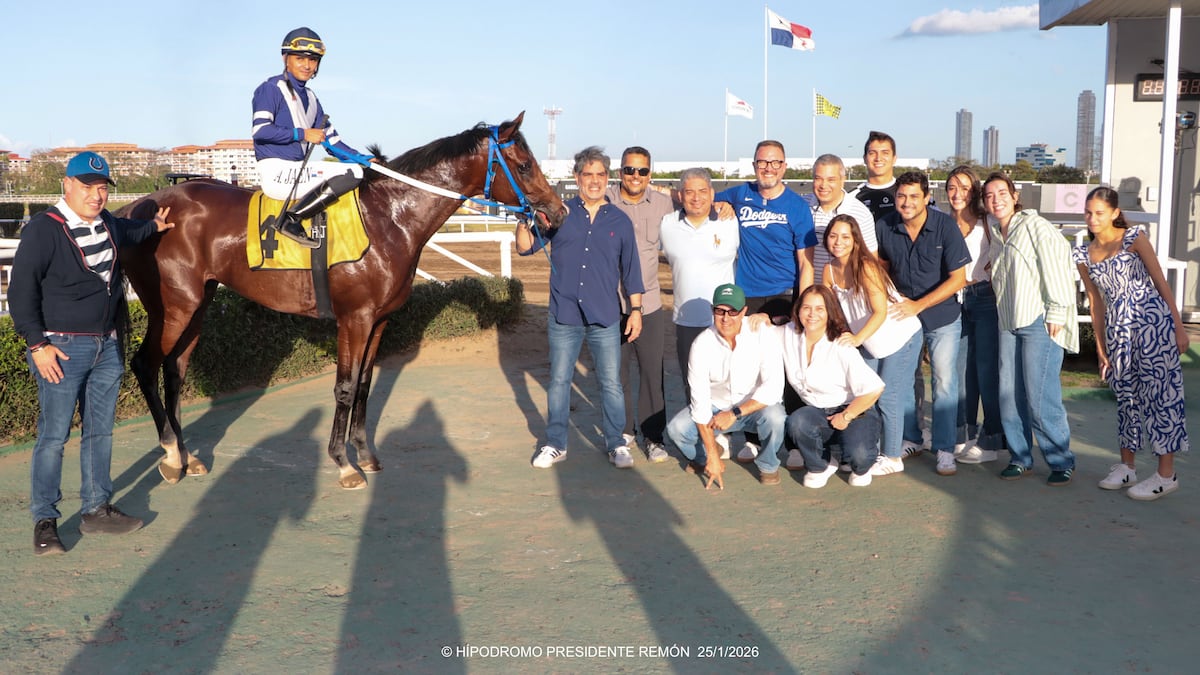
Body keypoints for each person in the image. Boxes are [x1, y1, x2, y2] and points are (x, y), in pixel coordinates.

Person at [9, 151, 175, 555]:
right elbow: (20, 292)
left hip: (107, 346)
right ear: (67, 185)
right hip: (61, 349)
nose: (96, 195)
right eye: (87, 186)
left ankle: (96, 508)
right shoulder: (44, 230)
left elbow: (134, 232)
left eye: (102, 188)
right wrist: (38, 346)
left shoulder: (109, 224)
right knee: (53, 437)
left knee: (99, 432)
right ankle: (45, 521)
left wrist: (155, 225)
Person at [517, 146, 644, 470]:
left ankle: (616, 443)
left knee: (611, 383)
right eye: (588, 175)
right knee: (559, 381)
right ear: (577, 178)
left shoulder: (620, 221)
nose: (594, 181)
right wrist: (522, 220)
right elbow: (526, 247)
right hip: (564, 315)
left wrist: (636, 310)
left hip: (604, 316)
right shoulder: (561, 213)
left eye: (600, 175)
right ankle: (555, 443)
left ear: (607, 178)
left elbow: (631, 270)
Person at [1076, 186, 1189, 500]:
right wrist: (1100, 348)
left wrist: (1178, 326)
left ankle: (1166, 475)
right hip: (1118, 331)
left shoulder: (1133, 238)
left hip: (1153, 324)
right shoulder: (1083, 255)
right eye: (1088, 212)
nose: (1092, 219)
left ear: (1114, 213)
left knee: (1160, 397)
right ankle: (1127, 467)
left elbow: (1160, 281)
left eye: (1099, 212)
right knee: (1126, 397)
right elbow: (1096, 304)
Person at [714, 140, 817, 462]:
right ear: (754, 165)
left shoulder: (797, 207)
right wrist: (719, 206)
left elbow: (806, 263)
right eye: (762, 162)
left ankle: (795, 444)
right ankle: (751, 438)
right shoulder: (738, 194)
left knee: (788, 369)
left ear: (784, 166)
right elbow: (697, 198)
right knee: (748, 370)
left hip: (784, 295)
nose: (768, 168)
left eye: (775, 163)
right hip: (748, 295)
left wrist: (797, 309)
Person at [983, 172, 1078, 486]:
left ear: (1014, 196)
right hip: (1008, 323)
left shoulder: (1035, 226)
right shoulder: (997, 234)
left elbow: (1058, 269)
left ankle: (1060, 459)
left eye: (1001, 193)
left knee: (1040, 396)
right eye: (989, 195)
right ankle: (1020, 457)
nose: (995, 199)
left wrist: (1057, 312)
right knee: (1008, 395)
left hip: (1039, 321)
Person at [874, 171, 970, 477]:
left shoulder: (945, 226)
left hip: (942, 316)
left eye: (915, 196)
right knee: (903, 380)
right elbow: (881, 269)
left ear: (927, 197)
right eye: (902, 196)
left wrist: (919, 304)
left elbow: (959, 278)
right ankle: (912, 439)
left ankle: (944, 449)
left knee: (943, 381)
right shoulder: (884, 226)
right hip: (903, 318)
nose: (907, 202)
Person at [821, 214, 921, 472]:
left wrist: (856, 339)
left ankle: (892, 458)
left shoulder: (866, 266)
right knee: (863, 393)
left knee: (889, 397)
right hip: (870, 341)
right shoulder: (829, 270)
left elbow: (880, 312)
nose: (838, 242)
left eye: (845, 236)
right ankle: (866, 451)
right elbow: (832, 310)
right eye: (833, 236)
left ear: (856, 240)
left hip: (900, 336)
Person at [252, 26, 368, 248]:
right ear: (286, 59)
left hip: (298, 171)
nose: (307, 65)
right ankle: (291, 219)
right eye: (300, 58)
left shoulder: (312, 98)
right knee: (352, 172)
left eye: (313, 60)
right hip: (277, 172)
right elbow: (260, 131)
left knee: (359, 168)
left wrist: (362, 158)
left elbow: (332, 141)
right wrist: (302, 134)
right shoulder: (270, 89)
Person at [665, 284, 787, 487]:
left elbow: (773, 388)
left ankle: (767, 465)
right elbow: (700, 402)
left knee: (776, 418)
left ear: (744, 312)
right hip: (715, 407)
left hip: (752, 407)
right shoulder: (701, 345)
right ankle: (708, 456)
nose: (726, 318)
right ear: (712, 311)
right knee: (677, 429)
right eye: (720, 311)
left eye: (733, 311)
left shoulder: (763, 333)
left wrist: (733, 414)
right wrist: (712, 454)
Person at [605, 147, 674, 463]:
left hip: (648, 305)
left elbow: (697, 204)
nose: (635, 176)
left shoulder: (663, 204)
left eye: (642, 171)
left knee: (651, 374)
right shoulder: (602, 200)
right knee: (615, 376)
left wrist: (722, 204)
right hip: (608, 305)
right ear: (620, 172)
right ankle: (622, 432)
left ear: (650, 173)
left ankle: (654, 437)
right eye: (629, 170)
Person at [779, 285, 885, 488]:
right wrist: (761, 319)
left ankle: (860, 458)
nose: (812, 314)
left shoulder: (841, 344)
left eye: (820, 309)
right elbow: (758, 331)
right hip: (816, 411)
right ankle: (822, 464)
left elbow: (874, 389)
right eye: (807, 308)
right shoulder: (788, 333)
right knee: (797, 422)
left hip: (853, 410)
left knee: (859, 460)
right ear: (798, 310)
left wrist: (846, 416)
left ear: (830, 312)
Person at [659, 168, 739, 406]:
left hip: (727, 319)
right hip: (687, 321)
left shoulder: (730, 221)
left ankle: (726, 433)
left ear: (712, 193)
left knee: (729, 382)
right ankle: (699, 433)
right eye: (690, 192)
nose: (696, 197)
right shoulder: (667, 224)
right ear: (680, 195)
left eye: (702, 191)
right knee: (692, 382)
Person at [946, 166, 1006, 464]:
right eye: (953, 187)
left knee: (986, 371)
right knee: (957, 372)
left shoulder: (988, 221)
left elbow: (1006, 252)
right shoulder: (943, 223)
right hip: (954, 303)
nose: (958, 193)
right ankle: (962, 432)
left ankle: (993, 439)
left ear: (976, 191)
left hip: (984, 299)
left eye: (965, 187)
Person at [807, 154, 877, 283]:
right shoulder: (801, 206)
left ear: (842, 180)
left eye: (831, 179)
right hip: (810, 295)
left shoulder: (860, 213)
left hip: (844, 295)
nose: (823, 185)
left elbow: (871, 261)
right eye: (818, 178)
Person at [848, 131, 898, 221]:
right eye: (872, 153)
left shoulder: (907, 193)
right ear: (865, 158)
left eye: (885, 153)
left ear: (894, 158)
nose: (878, 158)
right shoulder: (851, 198)